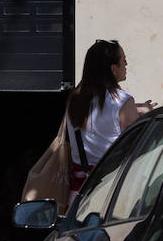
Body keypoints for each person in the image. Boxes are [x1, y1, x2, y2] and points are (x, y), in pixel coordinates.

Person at [66, 39, 155, 203]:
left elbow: (100, 118)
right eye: (123, 60)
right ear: (113, 69)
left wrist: (138, 108)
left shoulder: (75, 98)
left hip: (78, 196)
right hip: (111, 197)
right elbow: (137, 149)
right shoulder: (122, 101)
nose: (127, 64)